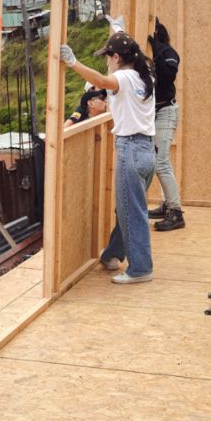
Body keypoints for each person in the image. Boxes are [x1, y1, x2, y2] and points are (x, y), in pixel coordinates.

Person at [60, 30, 156, 284]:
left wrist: (73, 63)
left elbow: (103, 82)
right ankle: (112, 254)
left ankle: (141, 269)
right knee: (127, 208)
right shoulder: (145, 77)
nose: (106, 62)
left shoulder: (123, 77)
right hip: (147, 151)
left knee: (130, 212)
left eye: (107, 57)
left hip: (131, 151)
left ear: (115, 57)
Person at [146, 18, 185, 232]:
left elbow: (168, 76)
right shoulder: (144, 54)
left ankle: (176, 212)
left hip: (166, 112)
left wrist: (156, 48)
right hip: (152, 114)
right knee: (159, 161)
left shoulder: (168, 53)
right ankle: (167, 204)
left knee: (160, 162)